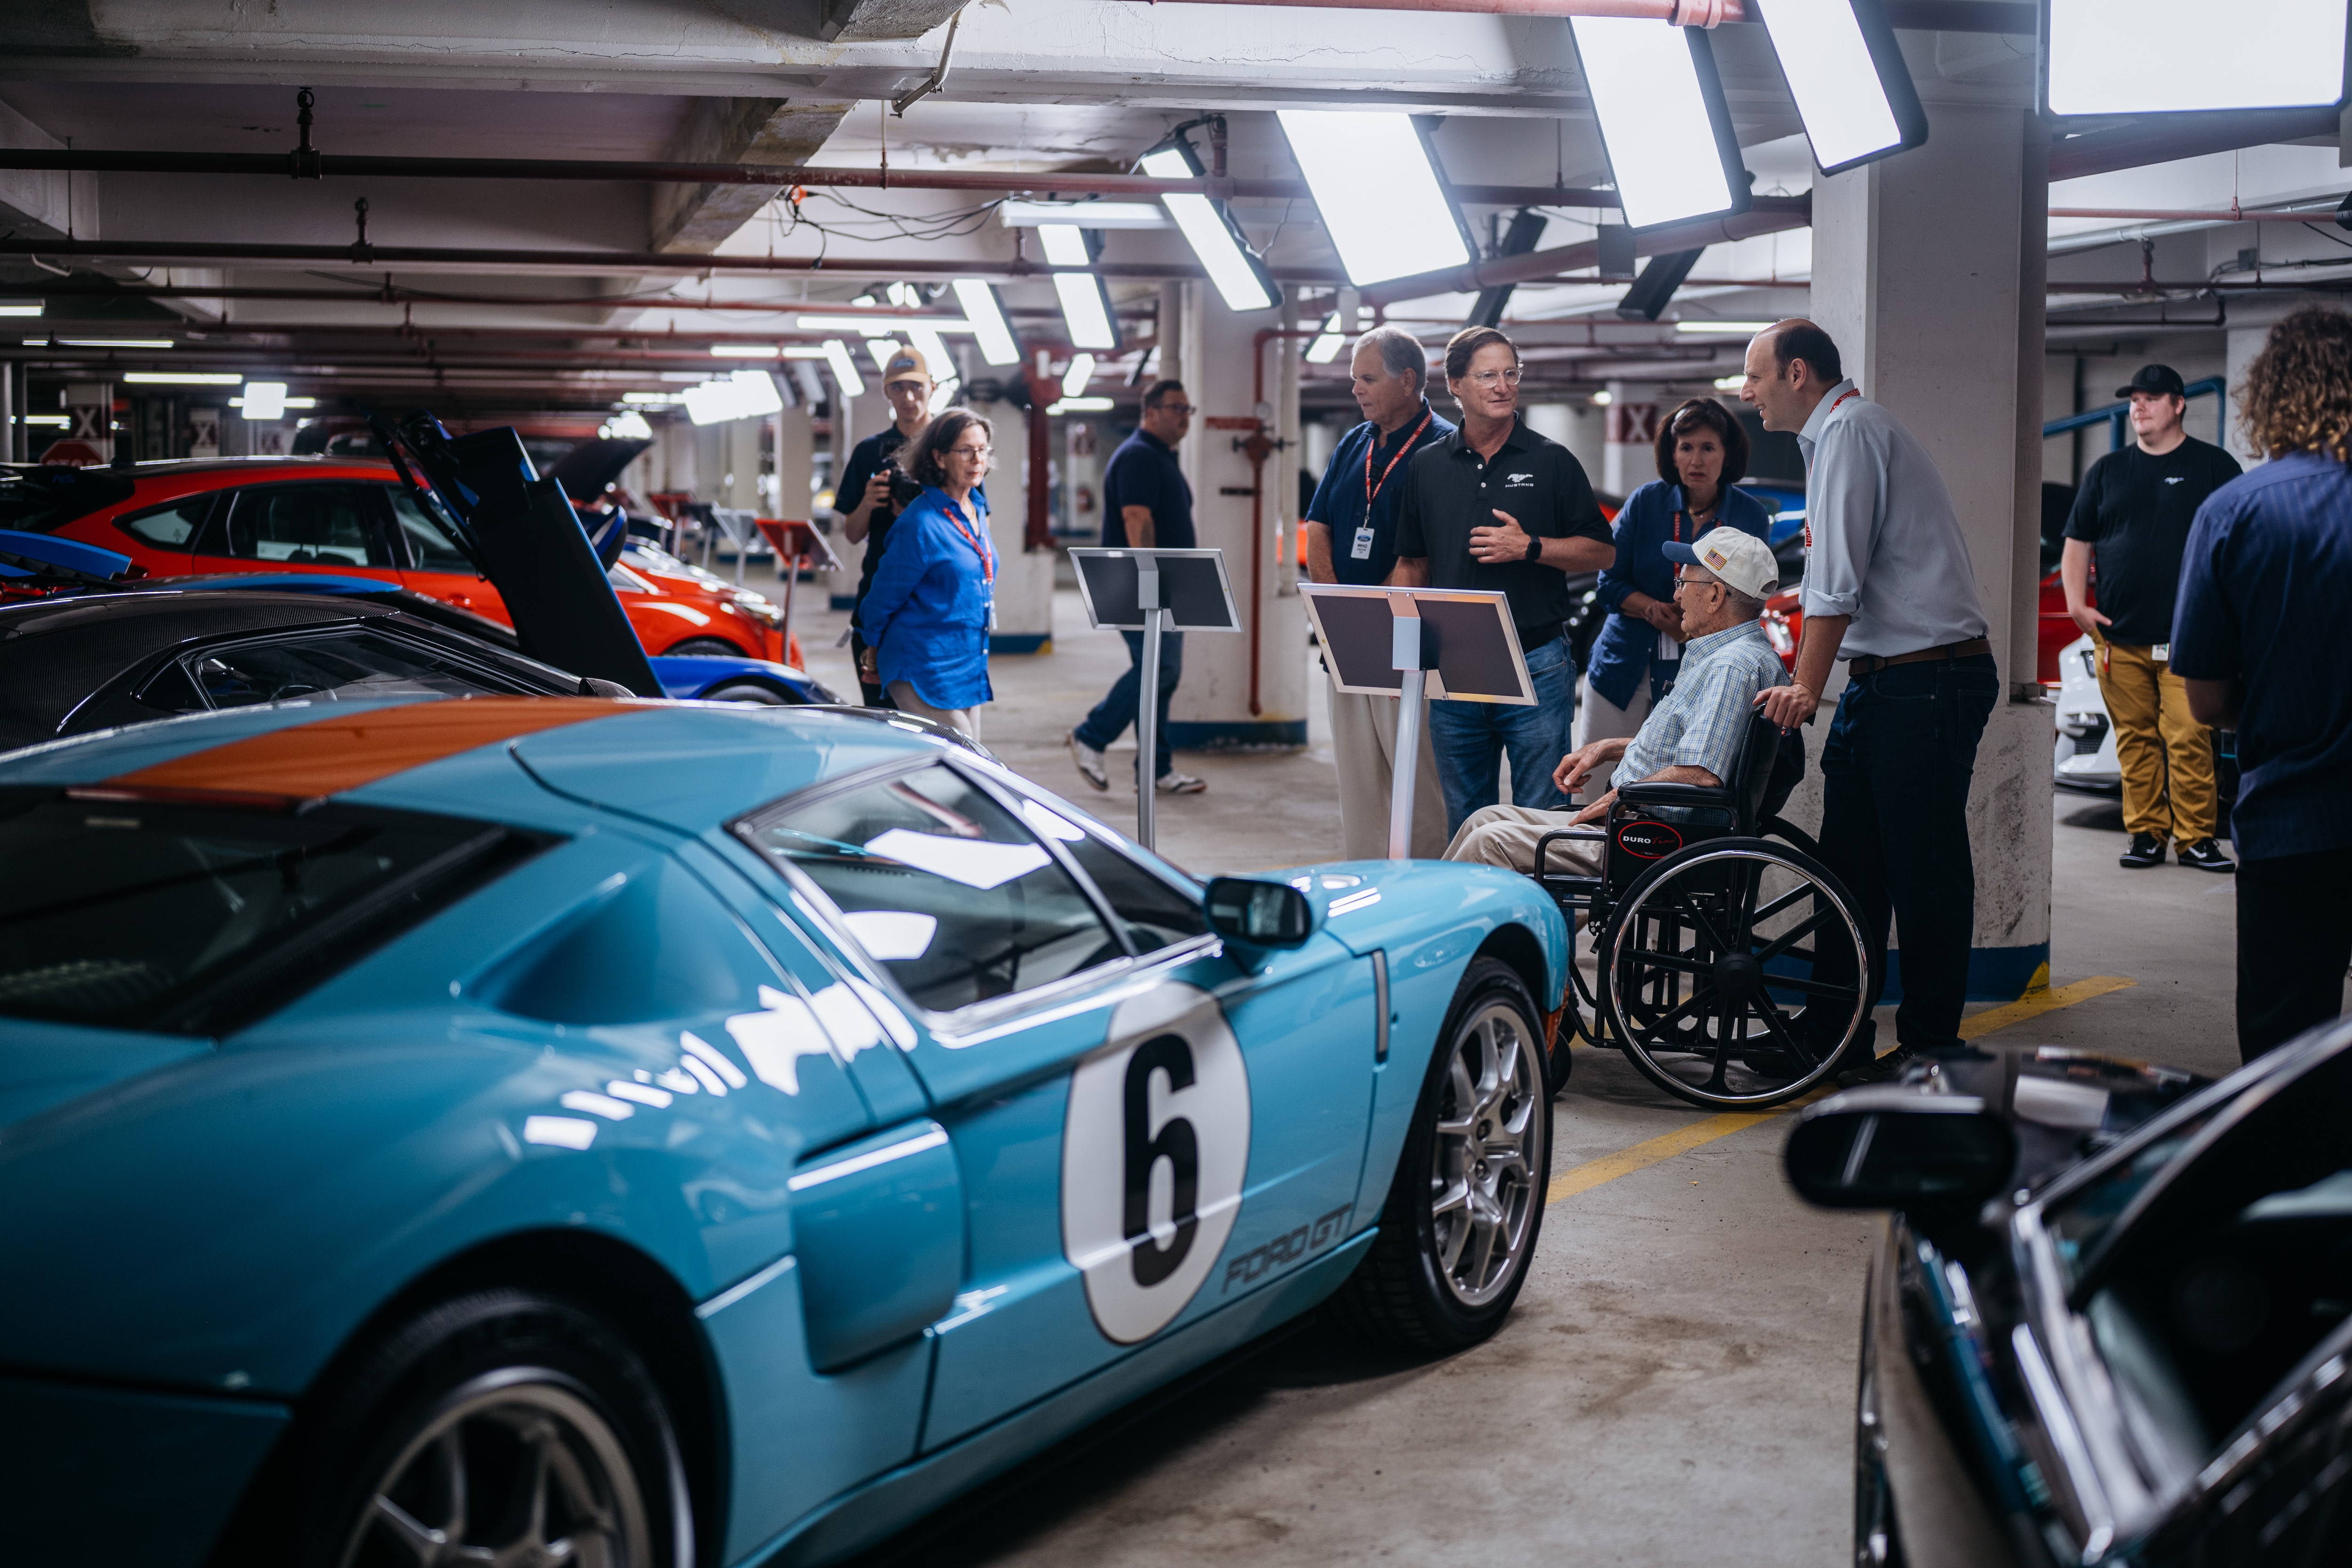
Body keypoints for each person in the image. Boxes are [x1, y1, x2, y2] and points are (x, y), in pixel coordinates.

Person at [1743, 318, 1994, 1086]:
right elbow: (1835, 576)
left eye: (1753, 375)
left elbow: (1838, 585)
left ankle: (1929, 1048)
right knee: (1848, 870)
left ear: (1796, 373)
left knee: (1924, 870)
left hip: (1927, 681)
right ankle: (1834, 1032)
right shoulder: (1835, 438)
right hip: (1886, 680)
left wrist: (1807, 687)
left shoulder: (1852, 431)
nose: (1746, 391)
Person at [2173, 306, 2352, 1061]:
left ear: (2269, 397)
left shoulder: (2233, 512)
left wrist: (2285, 702)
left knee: (2286, 1066)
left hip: (2292, 827)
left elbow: (2207, 701)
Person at [1446, 528, 1788, 878]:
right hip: (1634, 820)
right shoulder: (1726, 656)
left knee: (1487, 842)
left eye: (1684, 582)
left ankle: (1428, 930)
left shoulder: (1732, 665)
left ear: (1715, 596)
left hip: (1648, 836)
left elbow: (1701, 774)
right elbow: (1698, 752)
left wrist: (1614, 800)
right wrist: (1608, 748)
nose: (1677, 594)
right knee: (1482, 819)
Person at [1391, 326, 1614, 833]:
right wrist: (1396, 642)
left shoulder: (1551, 461)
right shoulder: (1427, 467)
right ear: (1454, 385)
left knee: (1540, 821)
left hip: (1536, 662)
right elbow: (1412, 562)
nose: (1502, 386)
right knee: (1466, 820)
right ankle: (1478, 913)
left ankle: (1533, 913)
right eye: (1487, 375)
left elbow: (1602, 550)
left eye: (1510, 374)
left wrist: (1530, 547)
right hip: (1454, 667)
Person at [2061, 364, 2241, 873]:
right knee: (2134, 742)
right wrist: (2077, 605)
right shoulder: (2107, 471)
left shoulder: (2212, 467)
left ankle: (2195, 840)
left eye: (2151, 399)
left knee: (2188, 740)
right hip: (2118, 640)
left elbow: (2242, 539)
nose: (2138, 407)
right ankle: (2145, 835)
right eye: (2133, 399)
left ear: (2178, 404)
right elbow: (2078, 541)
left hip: (2189, 639)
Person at [1303, 326, 1454, 858]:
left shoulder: (1443, 446)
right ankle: (1367, 885)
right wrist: (1335, 605)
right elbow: (1318, 524)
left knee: (1417, 784)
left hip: (1407, 644)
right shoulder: (1355, 442)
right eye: (1353, 380)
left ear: (1407, 379)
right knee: (1359, 784)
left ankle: (1422, 891)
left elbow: (1433, 547)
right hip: (1346, 638)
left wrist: (1375, 614)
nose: (1356, 390)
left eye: (1366, 378)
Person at [1576, 396, 1775, 802]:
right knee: (1594, 784)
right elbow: (1609, 582)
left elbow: (1752, 593)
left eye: (1708, 447)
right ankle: (1588, 854)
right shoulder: (1646, 502)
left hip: (1699, 667)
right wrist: (1651, 609)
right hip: (1625, 664)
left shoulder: (1749, 515)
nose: (1696, 459)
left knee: (1668, 779)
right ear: (1672, 453)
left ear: (1727, 453)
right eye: (1685, 447)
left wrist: (1698, 619)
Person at [1068, 379, 1208, 796]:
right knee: (1160, 669)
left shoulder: (1159, 456)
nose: (1184, 416)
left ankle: (1155, 768)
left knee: (1160, 675)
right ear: (1151, 411)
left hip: (1162, 585)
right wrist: (1149, 576)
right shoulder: (1140, 457)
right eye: (1176, 408)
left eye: (1188, 409)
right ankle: (1091, 736)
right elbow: (1136, 518)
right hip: (1141, 586)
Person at [860, 409, 995, 739]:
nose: (977, 459)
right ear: (939, 457)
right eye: (966, 450)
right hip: (921, 663)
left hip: (965, 660)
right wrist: (873, 651)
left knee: (969, 765)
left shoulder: (975, 507)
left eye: (983, 449)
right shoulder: (920, 523)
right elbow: (881, 597)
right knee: (963, 753)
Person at [837, 347, 938, 707]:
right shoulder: (869, 452)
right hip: (878, 603)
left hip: (934, 606)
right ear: (886, 393)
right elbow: (851, 534)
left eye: (917, 386)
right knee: (882, 717)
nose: (909, 397)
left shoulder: (954, 449)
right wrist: (868, 501)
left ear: (933, 386)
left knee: (935, 725)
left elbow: (978, 531)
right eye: (898, 388)